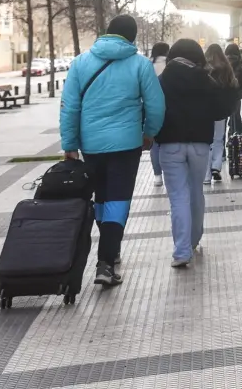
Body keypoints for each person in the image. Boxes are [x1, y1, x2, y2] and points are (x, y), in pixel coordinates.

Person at [60, 15, 165, 287]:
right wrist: (149, 132)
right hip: (126, 145)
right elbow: (156, 105)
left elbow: (70, 106)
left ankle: (109, 247)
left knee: (102, 198)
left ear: (107, 32)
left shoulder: (80, 63)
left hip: (91, 145)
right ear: (132, 37)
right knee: (118, 199)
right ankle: (106, 261)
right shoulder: (140, 64)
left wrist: (70, 144)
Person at [155, 39, 230, 268]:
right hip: (199, 144)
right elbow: (221, 111)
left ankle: (181, 251)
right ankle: (194, 239)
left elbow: (151, 109)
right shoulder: (205, 79)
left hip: (170, 145)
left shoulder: (162, 80)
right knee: (196, 191)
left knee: (178, 196)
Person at [203, 44, 242, 184]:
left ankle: (206, 175)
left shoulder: (204, 68)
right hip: (221, 110)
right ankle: (216, 167)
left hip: (206, 110)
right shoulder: (226, 68)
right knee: (219, 139)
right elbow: (234, 85)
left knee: (207, 140)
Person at [148, 42, 170, 187]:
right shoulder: (170, 65)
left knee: (154, 143)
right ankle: (169, 173)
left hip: (151, 107)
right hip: (168, 107)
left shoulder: (148, 65)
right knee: (168, 142)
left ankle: (157, 175)